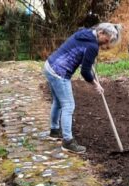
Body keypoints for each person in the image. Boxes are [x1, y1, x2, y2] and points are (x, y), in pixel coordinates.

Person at [44, 23, 122, 154]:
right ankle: (68, 142)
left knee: (58, 102)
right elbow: (85, 72)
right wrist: (96, 84)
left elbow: (84, 58)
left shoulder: (85, 33)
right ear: (101, 32)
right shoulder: (92, 46)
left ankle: (54, 131)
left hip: (49, 66)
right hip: (59, 72)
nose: (106, 45)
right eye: (106, 41)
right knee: (68, 105)